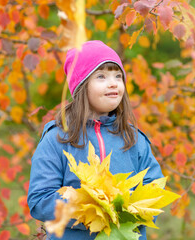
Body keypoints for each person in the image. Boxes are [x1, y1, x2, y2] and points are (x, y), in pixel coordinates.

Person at [27, 40, 164, 240]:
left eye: (118, 76)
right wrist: (88, 207)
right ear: (82, 86)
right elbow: (40, 201)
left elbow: (154, 191)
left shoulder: (134, 139)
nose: (113, 83)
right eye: (101, 76)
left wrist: (125, 208)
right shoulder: (57, 139)